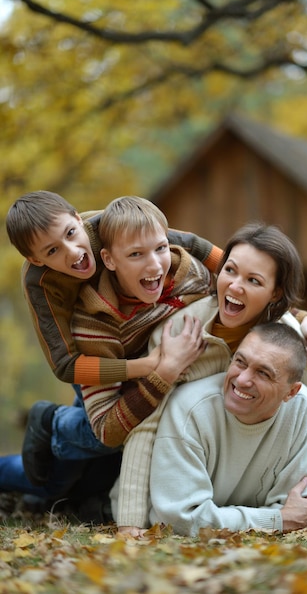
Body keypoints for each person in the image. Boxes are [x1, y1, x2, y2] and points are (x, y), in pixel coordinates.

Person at [115, 223, 307, 539]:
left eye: (253, 280)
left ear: (275, 292)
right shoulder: (179, 332)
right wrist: (129, 521)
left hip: (225, 474)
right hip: (163, 458)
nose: (235, 286)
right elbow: (147, 423)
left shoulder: (289, 342)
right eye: (230, 270)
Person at [5, 191, 221, 494]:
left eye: (71, 233)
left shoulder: (107, 224)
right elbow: (66, 366)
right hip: (87, 354)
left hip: (125, 337)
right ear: (35, 259)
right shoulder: (39, 283)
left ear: (79, 219)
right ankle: (53, 422)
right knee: (94, 441)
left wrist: (243, 276)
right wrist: (144, 366)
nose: (72, 252)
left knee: (79, 474)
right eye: (52, 251)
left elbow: (192, 243)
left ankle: (75, 491)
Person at [149, 323, 307, 535]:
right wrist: (275, 520)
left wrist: (285, 517)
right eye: (240, 362)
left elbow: (301, 509)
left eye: (263, 373)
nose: (242, 380)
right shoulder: (190, 408)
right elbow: (180, 518)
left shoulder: (302, 408)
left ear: (290, 392)